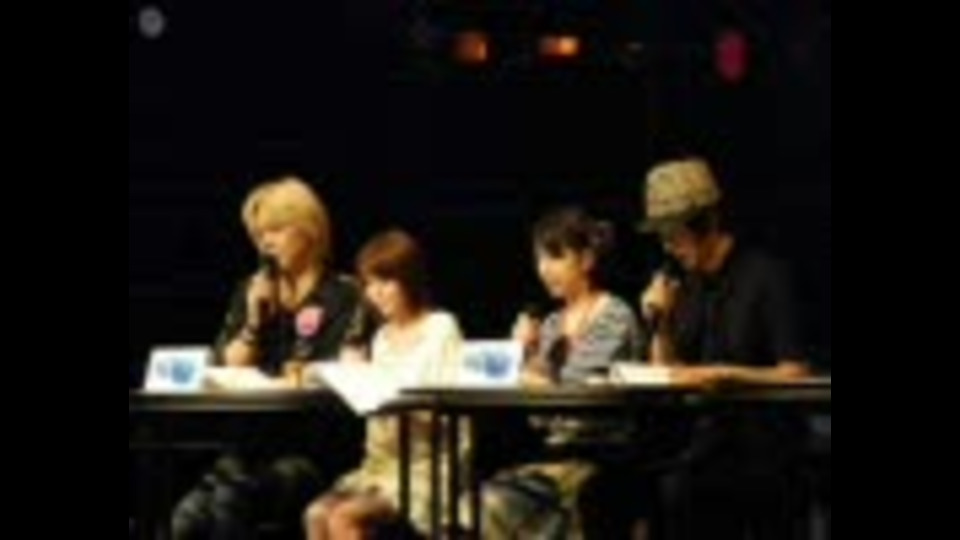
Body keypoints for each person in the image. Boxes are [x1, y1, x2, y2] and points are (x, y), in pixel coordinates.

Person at [172, 177, 373, 540]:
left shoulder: (344, 294)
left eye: (276, 230)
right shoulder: (251, 290)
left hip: (314, 451)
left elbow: (334, 372)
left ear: (308, 231)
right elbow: (225, 367)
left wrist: (289, 379)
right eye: (259, 234)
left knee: (230, 505)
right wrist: (254, 320)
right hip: (250, 448)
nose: (265, 242)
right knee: (187, 517)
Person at [637, 157, 812, 540]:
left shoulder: (765, 275)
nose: (668, 247)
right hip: (706, 445)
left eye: (675, 234)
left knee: (697, 488)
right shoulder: (686, 285)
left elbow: (797, 372)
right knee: (667, 487)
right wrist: (660, 321)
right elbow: (669, 371)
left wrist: (726, 374)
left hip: (765, 445)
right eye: (662, 236)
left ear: (708, 223)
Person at [484, 207, 645, 539]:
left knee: (493, 504)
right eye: (539, 259)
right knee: (474, 500)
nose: (544, 269)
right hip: (556, 453)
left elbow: (579, 397)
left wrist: (521, 371)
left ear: (586, 260)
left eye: (555, 257)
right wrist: (526, 353)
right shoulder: (553, 324)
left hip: (603, 455)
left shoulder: (614, 314)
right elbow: (540, 418)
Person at [303, 229, 467, 540]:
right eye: (369, 284)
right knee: (316, 513)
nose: (375, 294)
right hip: (381, 466)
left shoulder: (441, 328)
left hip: (427, 468)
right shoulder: (381, 337)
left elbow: (448, 410)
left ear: (409, 280)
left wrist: (386, 394)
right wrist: (349, 377)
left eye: (385, 282)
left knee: (344, 517)